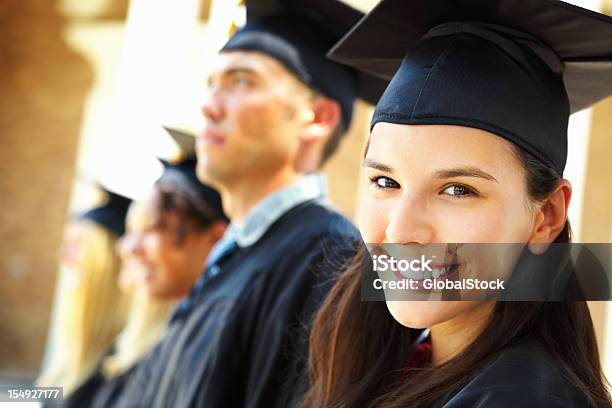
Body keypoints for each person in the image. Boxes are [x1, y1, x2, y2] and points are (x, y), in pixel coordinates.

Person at [301, 0, 612, 407]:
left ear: (546, 216)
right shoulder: (397, 362)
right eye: (385, 181)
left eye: (458, 190)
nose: (400, 230)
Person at [83, 2, 385, 407]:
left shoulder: (327, 258)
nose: (208, 106)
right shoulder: (230, 258)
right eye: (212, 83)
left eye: (242, 81)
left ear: (316, 117)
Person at [58, 128, 228, 407]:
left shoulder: (163, 353)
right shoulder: (107, 356)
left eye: (153, 228)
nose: (128, 248)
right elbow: (51, 393)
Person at [37, 187, 132, 397]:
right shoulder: (73, 346)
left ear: (105, 263)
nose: (63, 256)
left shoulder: (122, 363)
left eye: (77, 245)